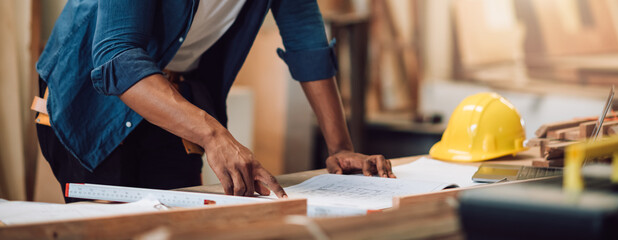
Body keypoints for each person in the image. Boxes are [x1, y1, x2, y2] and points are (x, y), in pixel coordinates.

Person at [35, 0, 395, 202]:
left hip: (175, 101)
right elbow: (117, 55)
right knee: (113, 228)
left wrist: (341, 147)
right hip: (91, 101)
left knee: (180, 224)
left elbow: (309, 46)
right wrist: (214, 136)